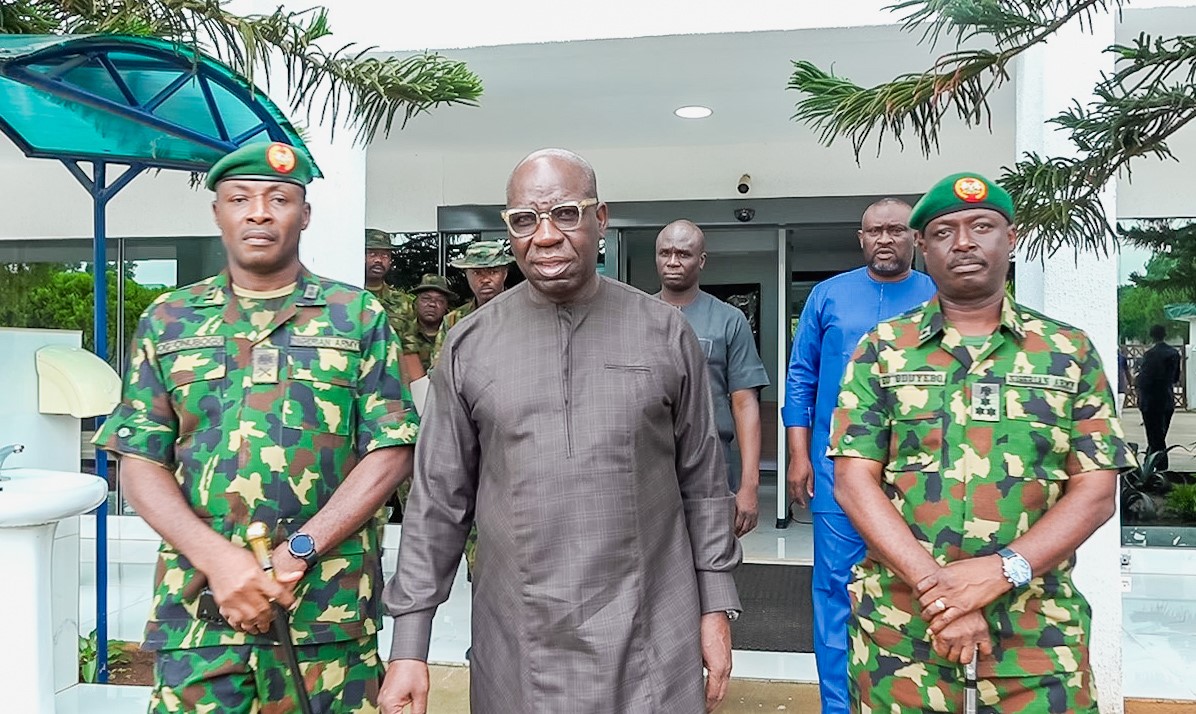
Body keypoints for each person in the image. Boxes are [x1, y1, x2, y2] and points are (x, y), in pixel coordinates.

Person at [380, 148, 742, 714]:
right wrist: (409, 645)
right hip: (518, 636)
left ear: (601, 218)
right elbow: (438, 501)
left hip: (652, 624)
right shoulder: (469, 345)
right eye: (525, 220)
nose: (545, 236)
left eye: (565, 214)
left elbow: (701, 479)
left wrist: (716, 605)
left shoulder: (664, 333)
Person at [93, 142, 420, 713]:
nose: (260, 212)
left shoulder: (357, 315)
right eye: (240, 198)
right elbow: (139, 458)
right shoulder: (168, 318)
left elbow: (391, 449)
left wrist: (299, 549)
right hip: (200, 613)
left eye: (279, 198)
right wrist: (220, 560)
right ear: (218, 212)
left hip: (326, 613)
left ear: (306, 214)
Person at [828, 172, 1134, 712]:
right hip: (904, 635)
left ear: (1010, 239)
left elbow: (1095, 490)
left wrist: (1000, 570)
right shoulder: (882, 349)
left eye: (982, 226)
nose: (964, 242)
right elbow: (855, 482)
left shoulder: (1067, 350)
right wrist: (943, 592)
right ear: (922, 248)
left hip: (1037, 637)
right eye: (944, 231)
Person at [782, 197, 936, 714]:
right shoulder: (828, 296)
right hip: (837, 473)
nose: (885, 239)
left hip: (922, 477)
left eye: (896, 230)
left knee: (921, 587)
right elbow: (800, 378)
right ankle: (838, 705)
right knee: (835, 593)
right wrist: (798, 457)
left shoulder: (939, 294)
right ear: (861, 238)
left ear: (914, 237)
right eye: (875, 231)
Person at [655, 219, 769, 537]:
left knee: (711, 563)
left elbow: (745, 405)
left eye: (684, 254)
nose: (673, 261)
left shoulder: (729, 320)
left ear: (701, 260)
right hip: (650, 466)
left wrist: (749, 485)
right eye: (665, 253)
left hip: (712, 466)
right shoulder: (638, 316)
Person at [429, 240, 515, 368]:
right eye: (477, 273)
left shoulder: (524, 313)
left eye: (493, 272)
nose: (485, 279)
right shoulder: (454, 321)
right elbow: (439, 370)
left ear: (505, 273)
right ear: (466, 275)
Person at [1136, 324, 1182, 468]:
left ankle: (1158, 468)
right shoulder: (1174, 353)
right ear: (1165, 334)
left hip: (1150, 401)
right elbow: (1175, 378)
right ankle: (1153, 466)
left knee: (1154, 437)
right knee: (1160, 436)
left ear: (1151, 335)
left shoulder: (1149, 355)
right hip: (1167, 399)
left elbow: (1145, 379)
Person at [399, 273, 456, 380]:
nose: (432, 304)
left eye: (439, 300)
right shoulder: (403, 333)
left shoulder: (454, 333)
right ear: (416, 303)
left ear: (446, 306)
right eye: (426, 299)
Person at [364, 228, 414, 337]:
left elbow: (409, 349)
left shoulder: (402, 302)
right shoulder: (349, 297)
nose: (379, 260)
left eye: (385, 255)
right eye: (372, 254)